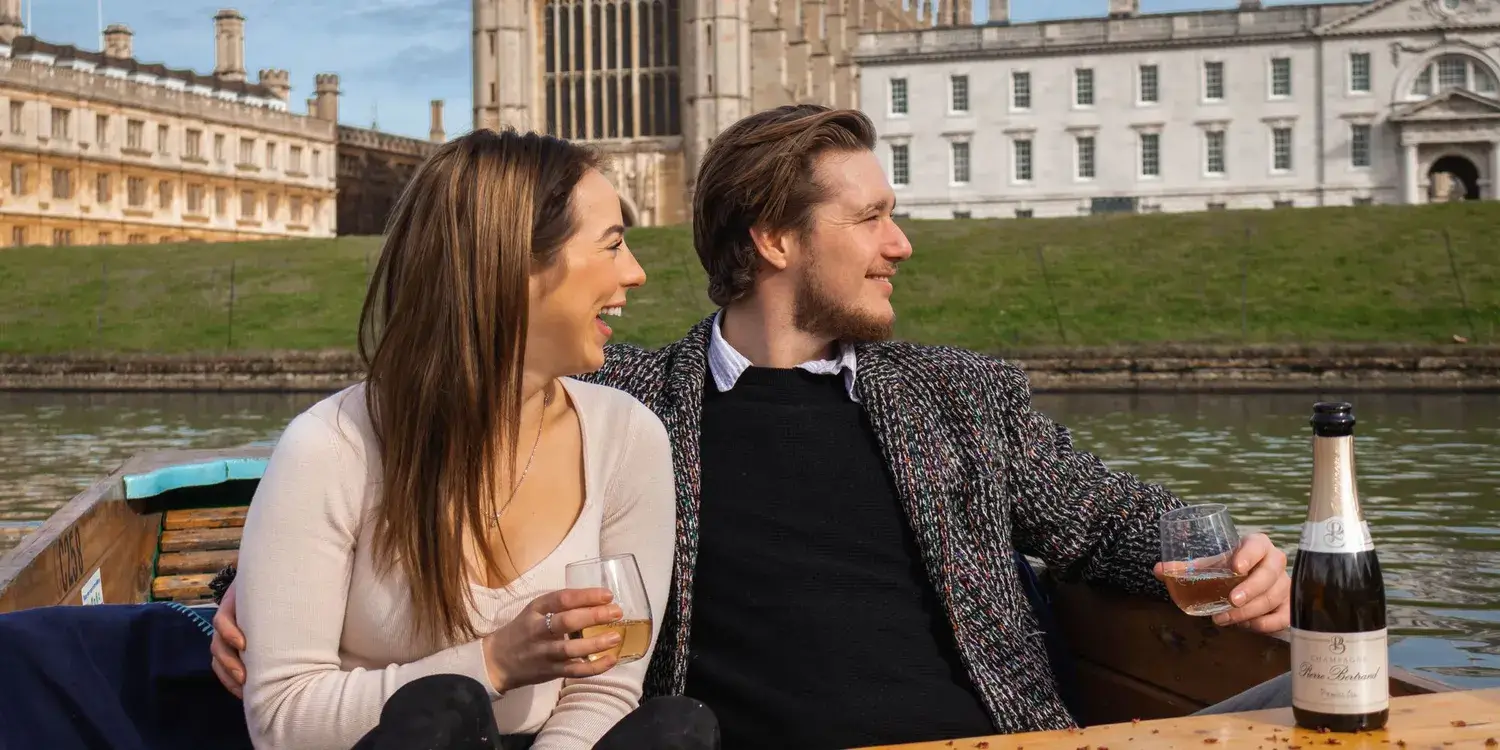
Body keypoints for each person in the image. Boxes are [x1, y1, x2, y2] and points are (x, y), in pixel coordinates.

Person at [210, 106, 1293, 749]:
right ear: (774, 239)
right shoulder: (632, 397)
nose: (901, 244)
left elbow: (1109, 516)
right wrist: (242, 598)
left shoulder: (959, 396)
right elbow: (426, 446)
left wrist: (1232, 553)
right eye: (869, 218)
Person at [223, 128, 718, 750]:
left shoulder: (628, 437)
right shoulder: (329, 448)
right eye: (613, 246)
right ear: (514, 266)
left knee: (678, 729)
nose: (637, 273)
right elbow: (282, 721)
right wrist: (493, 662)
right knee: (443, 711)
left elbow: (605, 689)